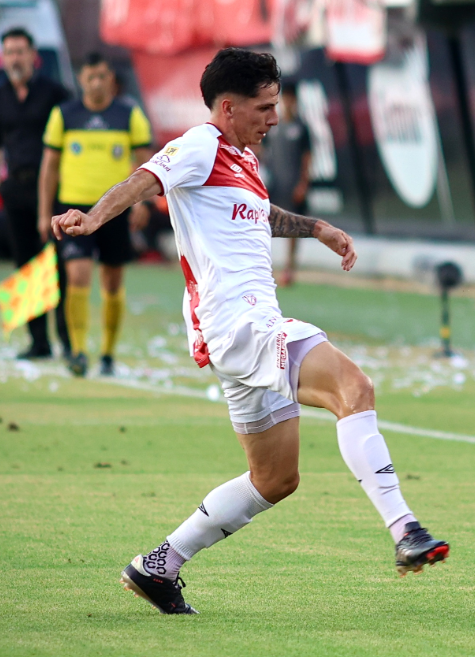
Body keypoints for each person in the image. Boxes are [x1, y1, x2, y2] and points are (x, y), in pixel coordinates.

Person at [52, 47, 448, 615]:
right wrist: (90, 218)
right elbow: (143, 181)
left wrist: (316, 229)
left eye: (276, 104)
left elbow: (258, 217)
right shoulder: (199, 145)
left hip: (238, 334)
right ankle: (405, 529)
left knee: (275, 477)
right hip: (241, 322)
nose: (275, 117)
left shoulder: (241, 160)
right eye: (265, 107)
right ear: (229, 107)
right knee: (354, 388)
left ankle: (158, 566)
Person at [39, 52, 154, 377]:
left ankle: (107, 353)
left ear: (110, 79)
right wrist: (44, 212)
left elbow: (147, 164)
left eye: (102, 76)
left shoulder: (128, 114)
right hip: (72, 209)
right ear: (81, 79)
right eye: (90, 77)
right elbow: (49, 167)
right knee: (77, 275)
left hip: (114, 211)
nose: (96, 83)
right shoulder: (64, 114)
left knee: (112, 282)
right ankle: (77, 350)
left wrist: (141, 204)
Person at [0, 27, 70, 359]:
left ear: (33, 56)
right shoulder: (1, 96)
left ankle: (68, 340)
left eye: (19, 51)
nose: (14, 58)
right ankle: (38, 342)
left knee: (59, 265)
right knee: (26, 266)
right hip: (15, 189)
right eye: (9, 52)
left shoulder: (55, 93)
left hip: (53, 190)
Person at [265, 80, 312, 287]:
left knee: (293, 226)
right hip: (275, 182)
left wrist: (303, 183)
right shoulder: (274, 126)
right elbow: (263, 151)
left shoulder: (301, 128)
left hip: (293, 182)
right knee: (266, 224)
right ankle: (265, 267)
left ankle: (289, 268)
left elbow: (307, 157)